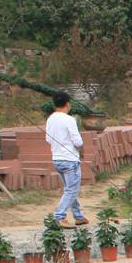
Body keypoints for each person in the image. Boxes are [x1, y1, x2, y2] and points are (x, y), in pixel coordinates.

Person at [46, 92, 86, 228]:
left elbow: (48, 139)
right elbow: (77, 141)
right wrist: (81, 150)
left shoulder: (50, 119)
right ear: (68, 104)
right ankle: (59, 216)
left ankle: (78, 216)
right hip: (70, 160)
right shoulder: (69, 119)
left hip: (57, 159)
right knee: (72, 190)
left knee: (70, 189)